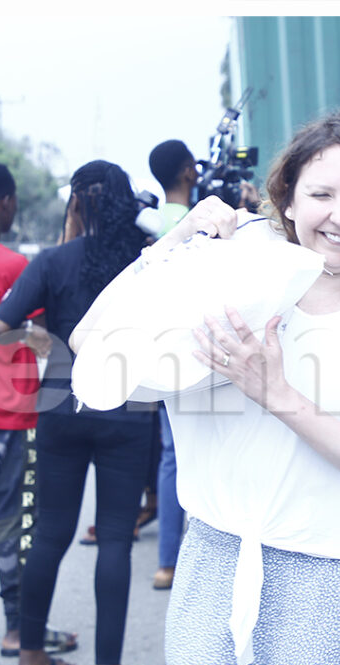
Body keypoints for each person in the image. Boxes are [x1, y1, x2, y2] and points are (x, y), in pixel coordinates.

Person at [120, 113, 340, 665]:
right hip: (214, 562)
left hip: (338, 577)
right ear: (288, 202)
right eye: (321, 195)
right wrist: (175, 240)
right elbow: (96, 348)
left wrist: (279, 396)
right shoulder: (231, 286)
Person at [0, 160, 165, 665]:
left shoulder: (53, 260)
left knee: (49, 534)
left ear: (76, 203)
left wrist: (49, 343)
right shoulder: (145, 261)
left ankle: (30, 659)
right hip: (127, 408)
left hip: (60, 405)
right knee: (114, 538)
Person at [0, 161, 80, 657]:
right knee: (14, 524)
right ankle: (18, 629)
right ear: (6, 202)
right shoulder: (12, 266)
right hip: (6, 415)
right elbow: (43, 337)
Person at [146, 138, 198, 590]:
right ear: (187, 171)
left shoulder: (149, 224)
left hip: (162, 351)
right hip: (200, 352)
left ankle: (166, 562)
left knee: (170, 456)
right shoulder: (201, 222)